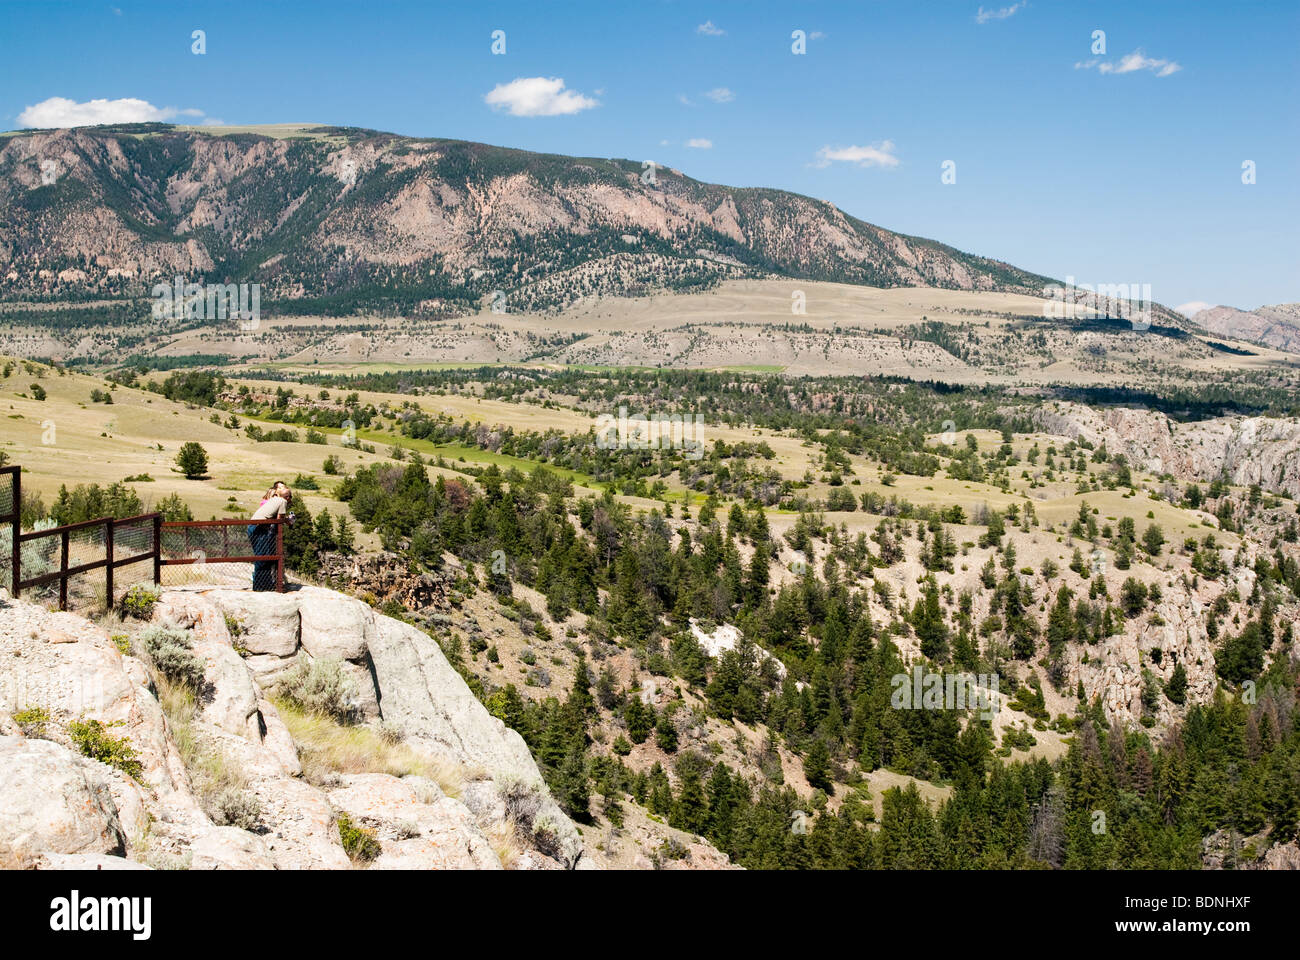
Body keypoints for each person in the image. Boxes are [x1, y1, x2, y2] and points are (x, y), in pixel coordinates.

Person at [247, 482, 293, 591]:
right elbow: (279, 520)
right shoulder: (283, 502)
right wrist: (288, 521)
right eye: (290, 497)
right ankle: (259, 586)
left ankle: (265, 585)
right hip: (259, 528)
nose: (291, 499)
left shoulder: (274, 500)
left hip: (254, 527)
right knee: (262, 557)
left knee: (265, 556)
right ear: (288, 497)